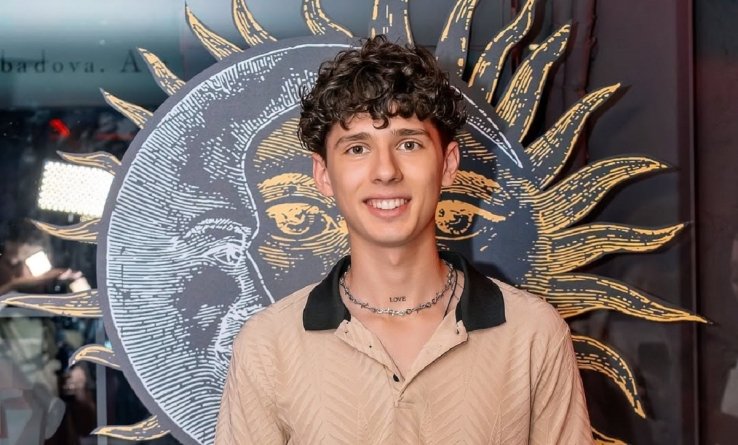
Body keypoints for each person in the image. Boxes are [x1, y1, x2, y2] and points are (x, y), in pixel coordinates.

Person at [215, 35, 592, 444]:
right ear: (323, 175)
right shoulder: (268, 345)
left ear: (447, 164)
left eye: (408, 144)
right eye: (357, 148)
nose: (385, 171)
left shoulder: (533, 333)